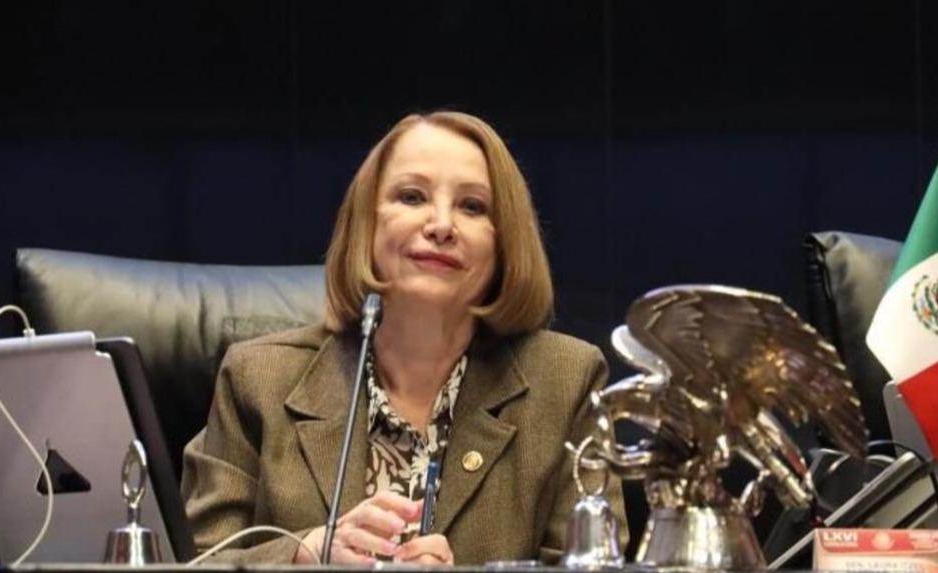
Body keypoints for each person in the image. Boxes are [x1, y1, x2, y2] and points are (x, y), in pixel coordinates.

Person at [180, 110, 628, 565]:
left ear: (504, 242)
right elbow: (192, 561)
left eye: (472, 206)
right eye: (412, 197)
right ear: (367, 224)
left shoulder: (566, 383)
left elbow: (596, 567)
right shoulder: (260, 379)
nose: (441, 225)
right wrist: (305, 553)